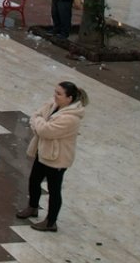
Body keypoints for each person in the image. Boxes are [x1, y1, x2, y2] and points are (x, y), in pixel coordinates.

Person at [16, 81, 89, 232]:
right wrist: (39, 123)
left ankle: (51, 222)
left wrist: (39, 123)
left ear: (69, 98)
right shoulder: (52, 104)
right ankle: (33, 207)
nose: (54, 96)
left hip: (57, 158)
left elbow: (46, 131)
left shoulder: (71, 118)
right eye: (55, 92)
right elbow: (36, 116)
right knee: (34, 180)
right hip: (43, 152)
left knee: (54, 190)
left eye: (59, 94)